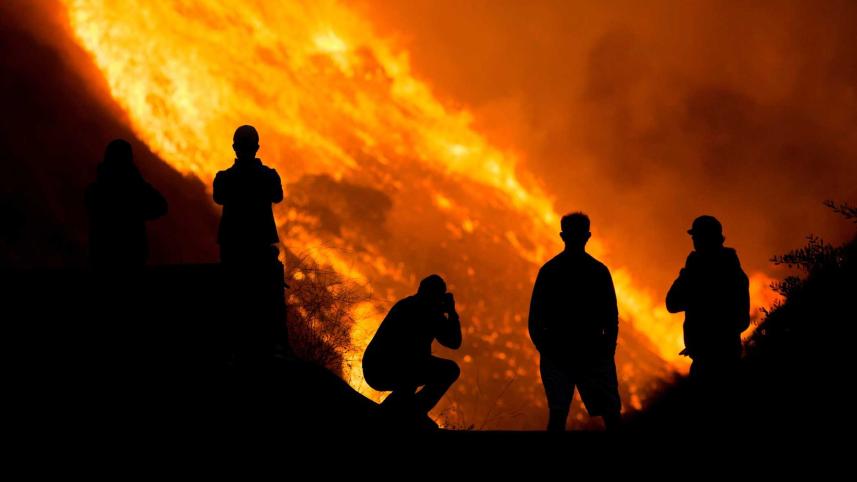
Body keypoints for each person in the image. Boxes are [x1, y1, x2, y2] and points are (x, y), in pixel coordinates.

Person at [528, 212, 621, 431]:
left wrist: (548, 350)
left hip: (561, 353)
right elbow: (611, 317)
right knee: (611, 416)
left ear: (562, 235)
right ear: (588, 236)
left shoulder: (550, 271)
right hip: (591, 352)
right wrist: (606, 351)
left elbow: (535, 320)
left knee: (558, 415)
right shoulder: (598, 271)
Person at [362, 274, 462, 429]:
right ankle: (413, 413)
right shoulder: (426, 311)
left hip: (377, 368)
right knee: (448, 370)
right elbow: (454, 342)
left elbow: (454, 343)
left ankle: (404, 412)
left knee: (411, 379)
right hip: (387, 367)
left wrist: (449, 314)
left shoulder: (408, 305)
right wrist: (451, 313)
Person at [666, 215, 749, 393]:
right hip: (728, 355)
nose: (694, 242)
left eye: (697, 237)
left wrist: (687, 273)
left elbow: (672, 303)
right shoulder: (735, 272)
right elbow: (742, 321)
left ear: (707, 238)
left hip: (710, 362)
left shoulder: (697, 273)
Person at [85, 139, 167, 269]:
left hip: (102, 259)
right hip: (129, 259)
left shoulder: (94, 190)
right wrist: (138, 181)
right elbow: (160, 206)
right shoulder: (133, 190)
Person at [213, 125, 283, 266]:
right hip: (260, 248)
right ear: (257, 147)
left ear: (234, 147)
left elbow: (218, 198)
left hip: (232, 249)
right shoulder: (269, 176)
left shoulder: (223, 178)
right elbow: (278, 197)